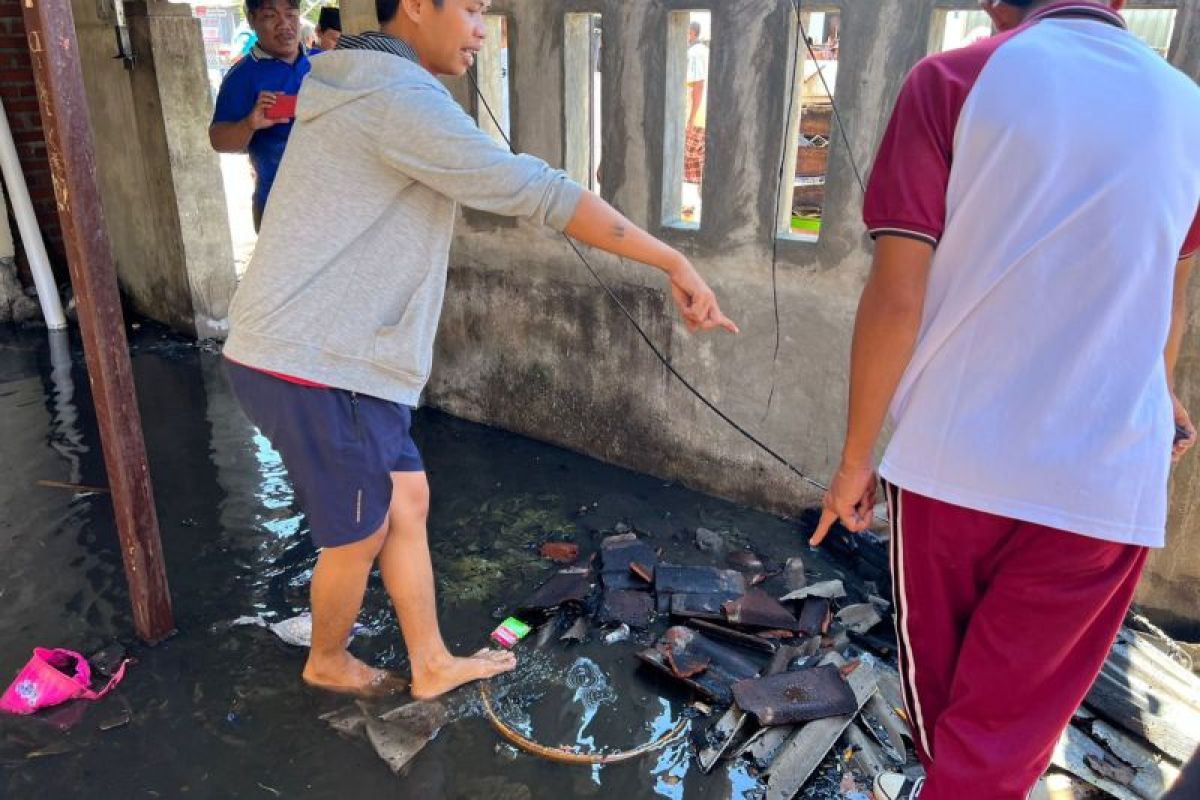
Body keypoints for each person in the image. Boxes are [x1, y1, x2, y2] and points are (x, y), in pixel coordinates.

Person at [221, 0, 738, 701]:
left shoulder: (350, 74)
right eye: (469, 8)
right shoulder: (398, 96)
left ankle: (430, 662)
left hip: (339, 348)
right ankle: (328, 658)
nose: (479, 28)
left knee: (407, 497)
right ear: (414, 7)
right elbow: (539, 191)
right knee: (359, 528)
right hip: (312, 354)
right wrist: (671, 260)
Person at [810, 1, 1200, 798]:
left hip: (956, 468)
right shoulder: (1190, 110)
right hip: (1104, 481)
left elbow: (896, 294)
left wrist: (855, 461)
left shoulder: (952, 80)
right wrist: (1160, 391)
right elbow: (1170, 290)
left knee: (947, 723)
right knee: (1001, 739)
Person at [209, 0, 311, 231]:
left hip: (334, 202)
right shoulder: (241, 77)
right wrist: (249, 124)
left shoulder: (324, 63)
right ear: (252, 20)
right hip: (279, 209)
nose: (284, 24)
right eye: (270, 16)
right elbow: (218, 140)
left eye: (291, 14)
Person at [682, 19, 708, 221]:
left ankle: (688, 210)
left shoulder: (694, 54)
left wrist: (690, 119)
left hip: (696, 118)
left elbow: (698, 87)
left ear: (691, 33)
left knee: (685, 165)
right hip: (700, 117)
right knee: (698, 167)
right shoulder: (703, 51)